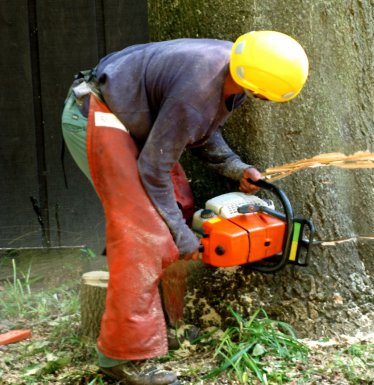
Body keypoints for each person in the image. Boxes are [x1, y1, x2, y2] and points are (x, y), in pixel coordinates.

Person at [61, 31, 309, 385]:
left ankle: (166, 325)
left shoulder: (238, 66)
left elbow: (200, 129)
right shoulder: (200, 87)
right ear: (255, 84)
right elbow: (154, 167)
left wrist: (235, 168)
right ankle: (123, 357)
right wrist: (182, 235)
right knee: (144, 230)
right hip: (97, 113)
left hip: (131, 116)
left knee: (178, 205)